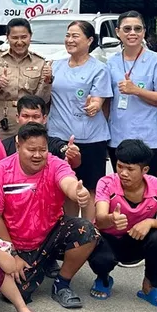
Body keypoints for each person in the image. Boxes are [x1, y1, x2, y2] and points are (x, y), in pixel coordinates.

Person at [0, 122, 98, 308]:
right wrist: (12, 254)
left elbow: (67, 182)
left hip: (51, 235)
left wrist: (77, 193)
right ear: (18, 145)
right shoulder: (1, 170)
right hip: (17, 243)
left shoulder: (56, 164)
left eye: (42, 150)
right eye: (31, 149)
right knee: (14, 293)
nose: (37, 155)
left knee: (87, 232)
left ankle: (62, 283)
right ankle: (39, 265)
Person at [87, 139, 157, 306]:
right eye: (120, 166)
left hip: (136, 242)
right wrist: (111, 219)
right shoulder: (106, 183)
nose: (123, 173)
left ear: (144, 170)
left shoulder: (155, 186)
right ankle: (104, 279)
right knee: (98, 252)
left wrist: (151, 222)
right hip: (109, 240)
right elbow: (100, 221)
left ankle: (150, 286)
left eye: (130, 169)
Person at [104, 12, 157, 178]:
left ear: (144, 32)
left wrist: (136, 90)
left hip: (148, 139)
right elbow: (106, 100)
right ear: (117, 32)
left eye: (137, 29)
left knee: (147, 189)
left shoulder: (156, 60)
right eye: (127, 29)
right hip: (118, 137)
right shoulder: (111, 62)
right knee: (122, 187)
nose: (132, 33)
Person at [47, 20, 112, 195]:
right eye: (67, 35)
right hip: (58, 136)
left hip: (90, 138)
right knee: (64, 188)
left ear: (90, 40)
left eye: (75, 36)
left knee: (90, 189)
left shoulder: (99, 69)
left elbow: (98, 100)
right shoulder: (54, 66)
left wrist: (94, 106)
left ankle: (88, 224)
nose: (70, 40)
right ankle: (71, 224)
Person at [0, 17, 51, 135]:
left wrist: (47, 81)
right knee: (1, 152)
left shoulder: (40, 62)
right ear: (7, 37)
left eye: (24, 37)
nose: (19, 42)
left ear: (30, 36)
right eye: (14, 38)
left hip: (30, 118)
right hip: (2, 118)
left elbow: (43, 99)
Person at [0, 95, 81, 169]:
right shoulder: (3, 146)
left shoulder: (54, 144)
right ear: (17, 117)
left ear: (44, 119)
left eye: (36, 116)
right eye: (25, 116)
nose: (30, 121)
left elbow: (73, 162)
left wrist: (73, 155)